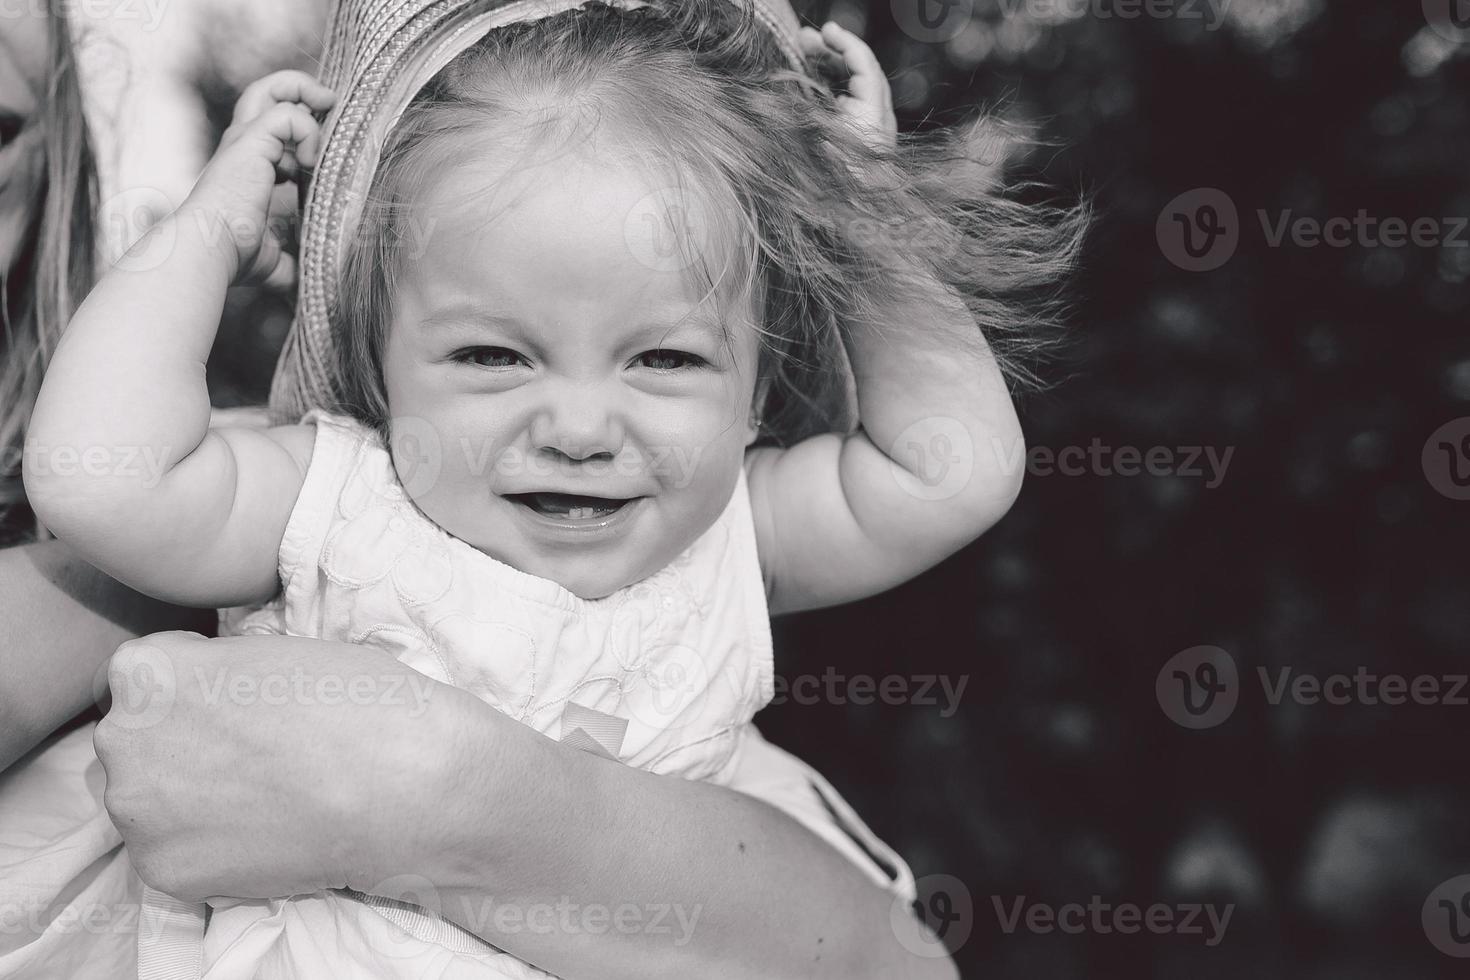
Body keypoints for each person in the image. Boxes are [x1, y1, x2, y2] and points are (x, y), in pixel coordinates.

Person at [24, 0, 1082, 974]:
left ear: (759, 386)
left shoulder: (728, 535)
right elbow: (95, 480)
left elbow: (957, 470)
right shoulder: (340, 502)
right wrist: (212, 225)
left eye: (665, 361)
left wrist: (869, 226)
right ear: (376, 363)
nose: (578, 428)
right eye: (493, 356)